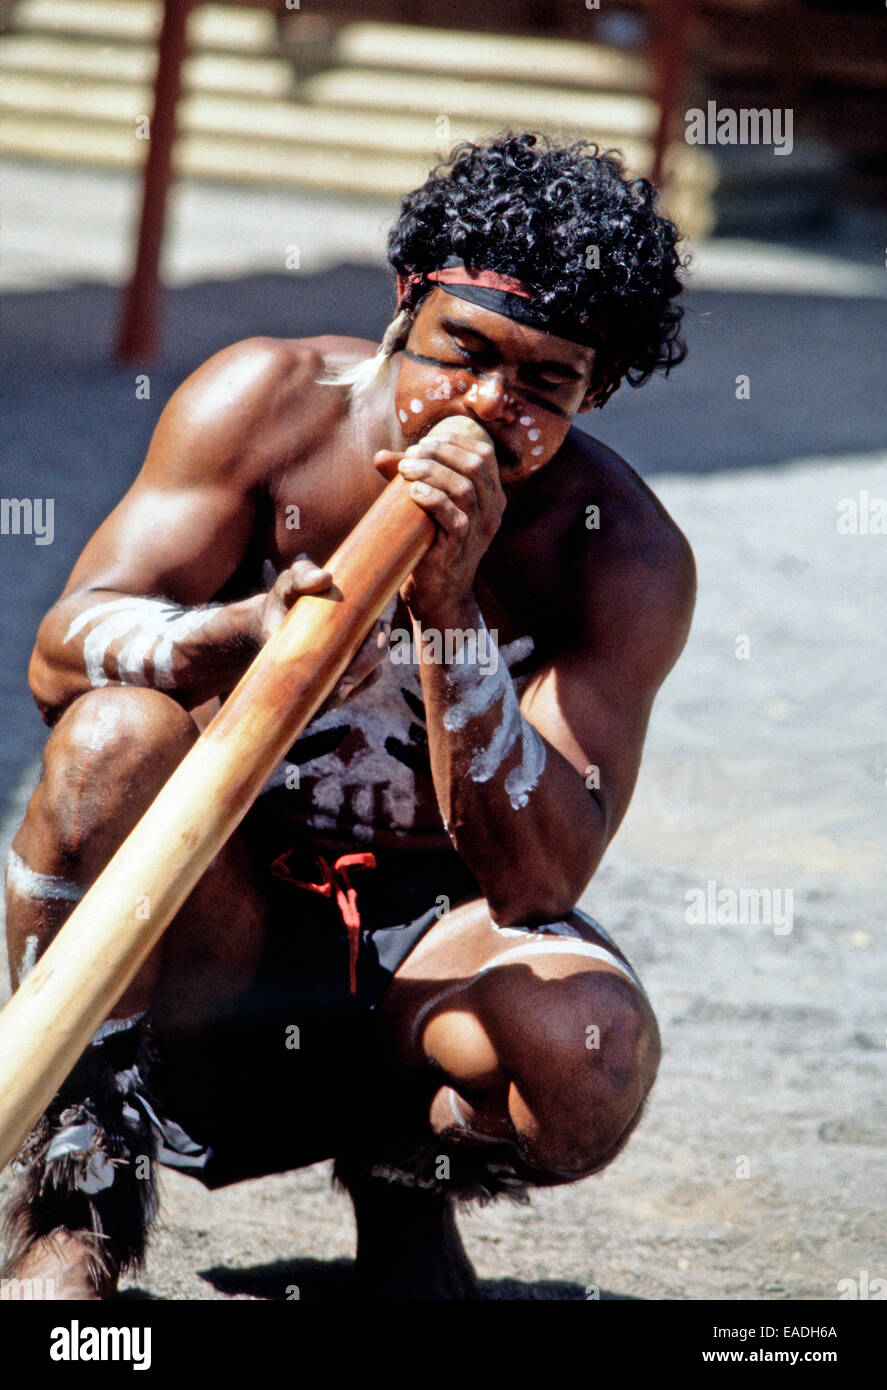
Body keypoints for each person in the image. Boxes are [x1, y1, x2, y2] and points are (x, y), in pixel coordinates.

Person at [1, 133, 695, 1300]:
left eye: (544, 386)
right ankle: (77, 1210)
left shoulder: (621, 553)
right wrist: (232, 635)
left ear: (596, 391)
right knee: (112, 739)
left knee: (589, 1049)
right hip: (207, 929)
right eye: (463, 351)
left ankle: (403, 1188)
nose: (485, 405)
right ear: (405, 305)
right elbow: (60, 655)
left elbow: (540, 880)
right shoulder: (263, 403)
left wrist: (452, 607)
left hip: (425, 945)